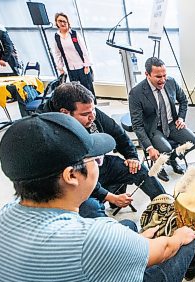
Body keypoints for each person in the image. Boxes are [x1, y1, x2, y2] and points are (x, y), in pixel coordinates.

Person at [0, 112, 195, 282]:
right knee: (187, 240)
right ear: (71, 175)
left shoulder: (3, 216)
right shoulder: (94, 238)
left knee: (130, 228)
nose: (99, 163)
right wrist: (177, 237)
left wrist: (134, 242)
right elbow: (164, 250)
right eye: (94, 158)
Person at [43, 82, 166, 218]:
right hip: (73, 181)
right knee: (91, 208)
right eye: (85, 114)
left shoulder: (88, 111)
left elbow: (118, 134)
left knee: (140, 170)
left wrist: (132, 157)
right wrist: (111, 197)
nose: (92, 117)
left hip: (99, 164)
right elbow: (75, 177)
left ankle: (166, 207)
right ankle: (109, 235)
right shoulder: (48, 133)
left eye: (93, 110)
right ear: (65, 113)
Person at [129, 57, 195, 182]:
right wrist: (149, 148)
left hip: (172, 123)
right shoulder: (136, 93)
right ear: (147, 74)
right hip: (153, 128)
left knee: (194, 141)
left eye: (164, 75)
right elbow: (137, 125)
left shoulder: (171, 82)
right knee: (166, 149)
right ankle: (160, 166)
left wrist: (181, 118)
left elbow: (183, 100)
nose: (163, 80)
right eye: (158, 77)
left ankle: (171, 159)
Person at [53, 12, 96, 98]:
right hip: (71, 68)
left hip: (82, 66)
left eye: (64, 21)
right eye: (60, 21)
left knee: (87, 87)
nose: (62, 23)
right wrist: (60, 68)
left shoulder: (74, 34)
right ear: (56, 23)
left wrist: (86, 65)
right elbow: (57, 54)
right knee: (76, 89)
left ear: (68, 22)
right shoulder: (57, 37)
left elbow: (84, 50)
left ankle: (93, 104)